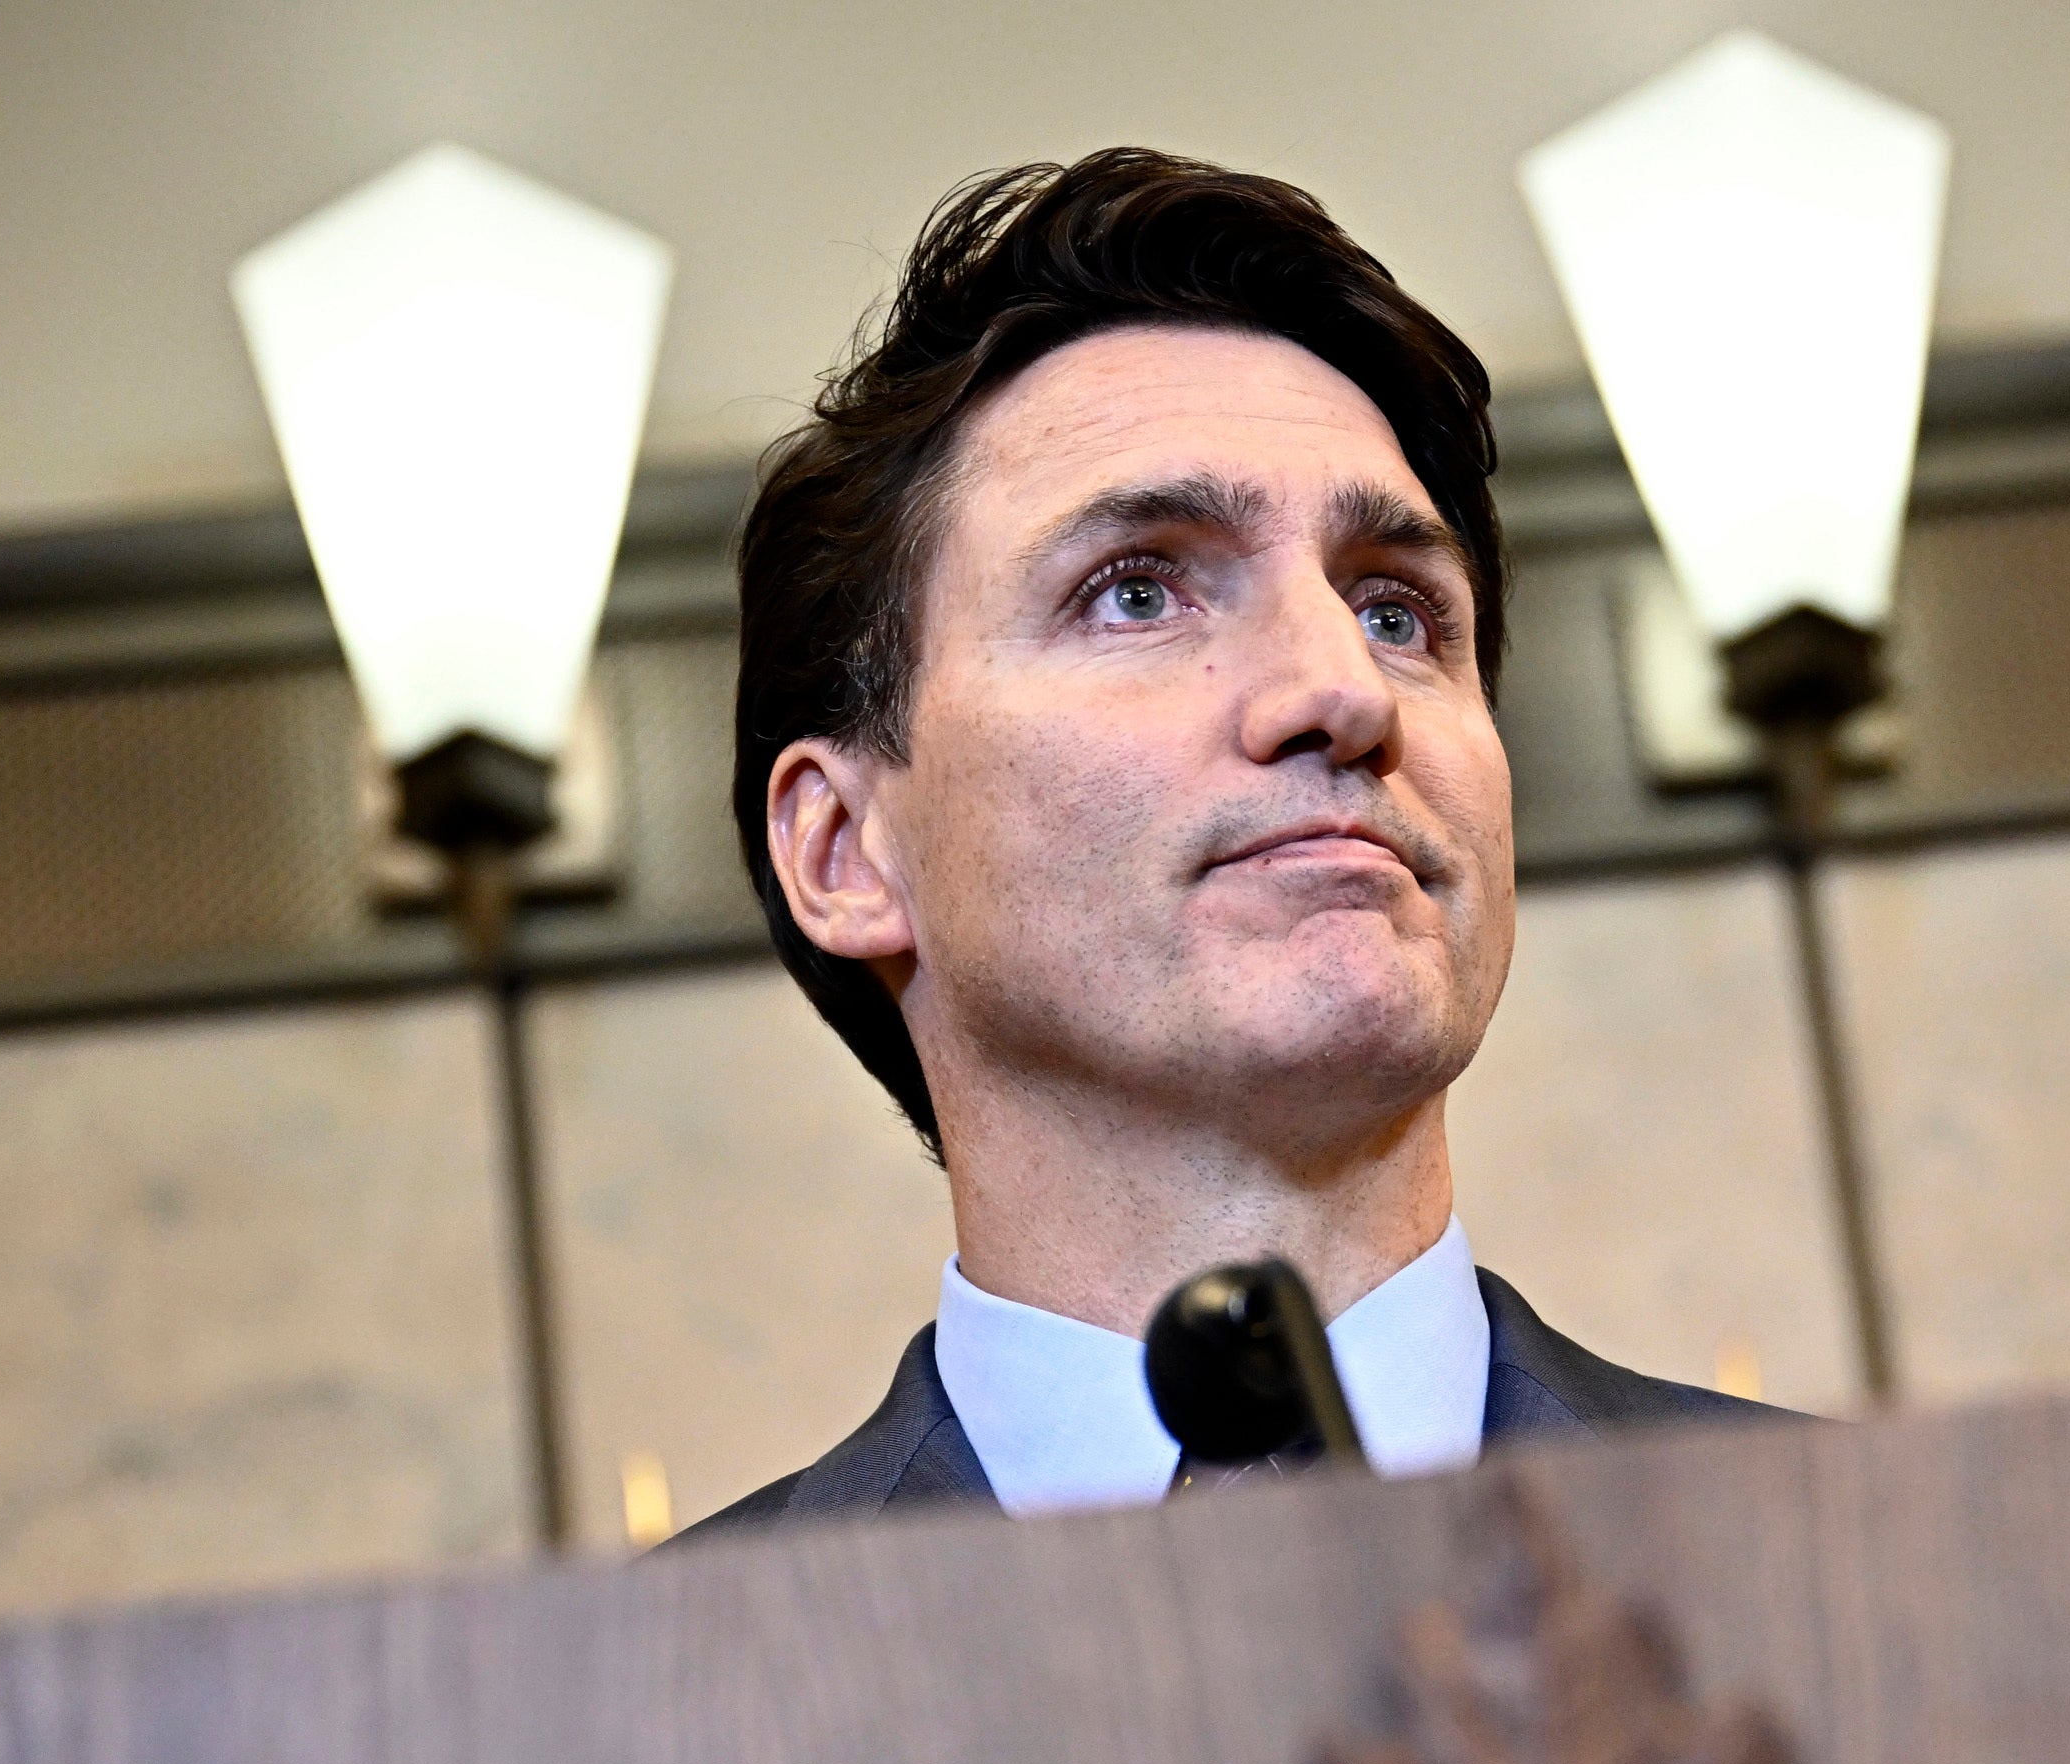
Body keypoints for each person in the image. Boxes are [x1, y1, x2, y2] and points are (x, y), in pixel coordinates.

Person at [681, 151, 1772, 1530]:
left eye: (1395, 610)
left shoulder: (1890, 1561)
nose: (1344, 690)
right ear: (844, 849)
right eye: (1137, 593)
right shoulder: (609, 1714)